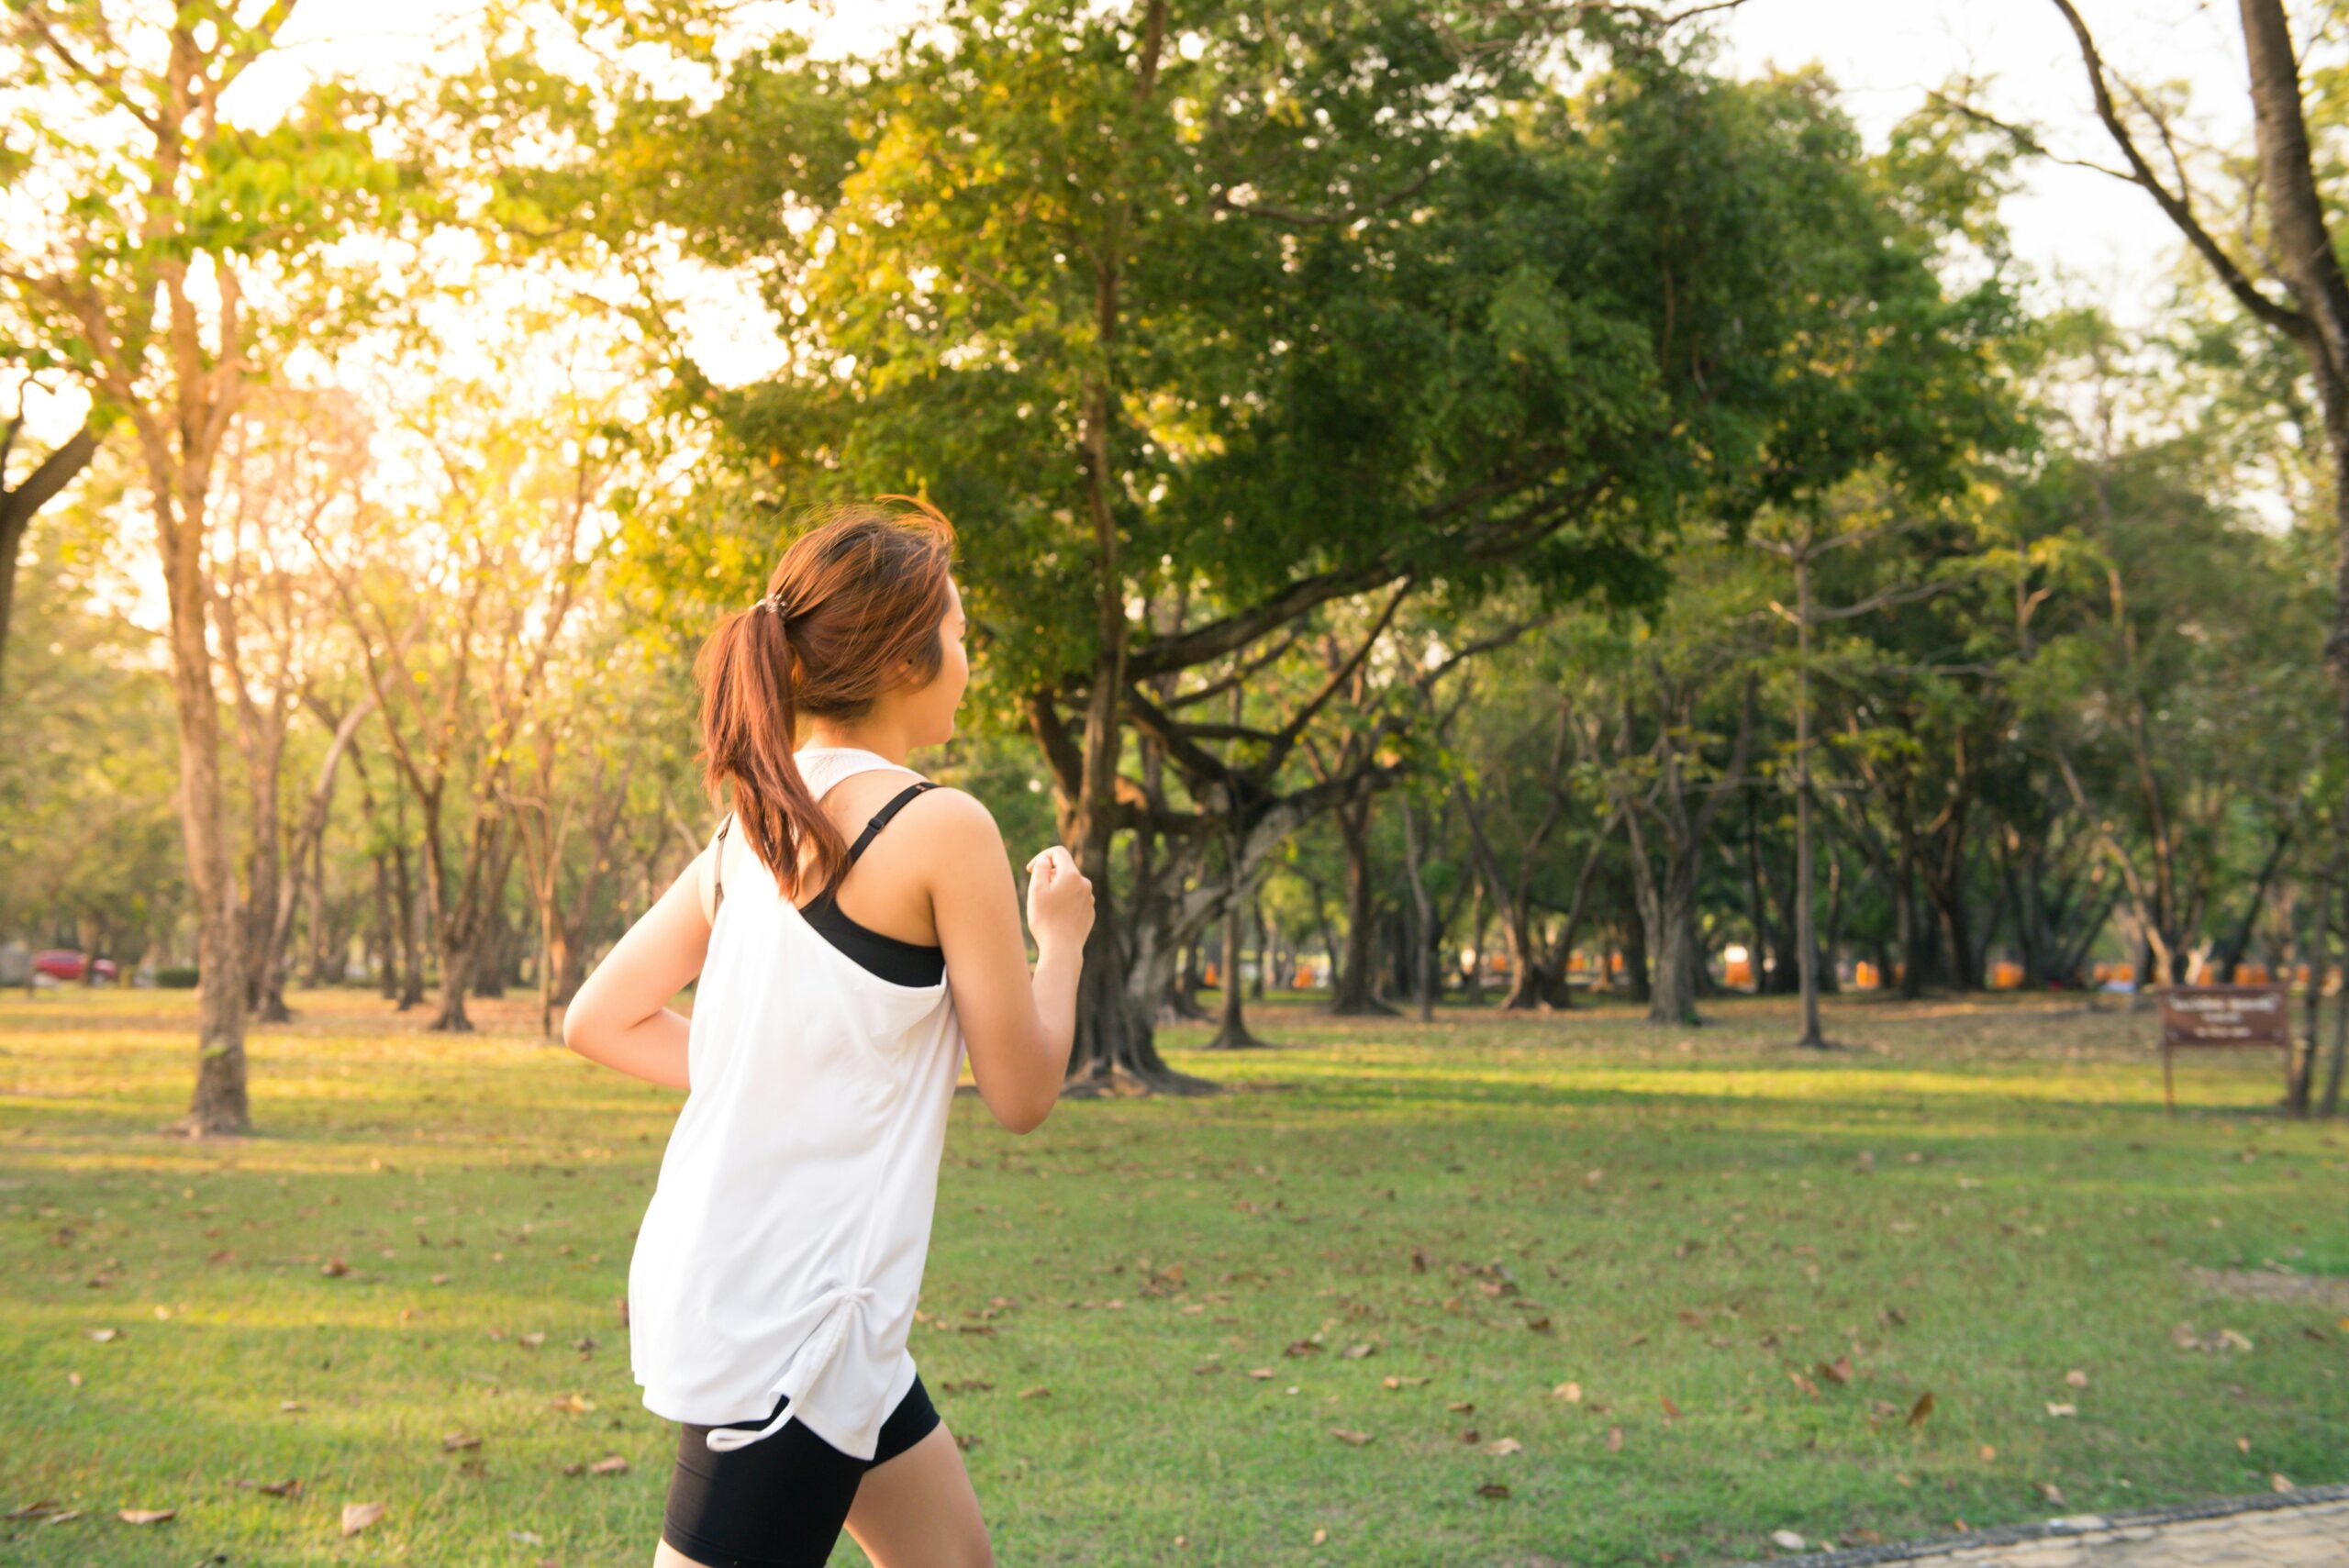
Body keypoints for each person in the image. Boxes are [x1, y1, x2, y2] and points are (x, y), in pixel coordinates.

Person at [561, 495, 1095, 1568]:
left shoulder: (752, 825)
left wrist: (773, 1075)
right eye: (955, 634)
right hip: (792, 1323)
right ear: (903, 658)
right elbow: (1024, 1090)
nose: (966, 658)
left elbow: (598, 1017)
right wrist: (1062, 937)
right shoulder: (941, 825)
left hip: (813, 1307)